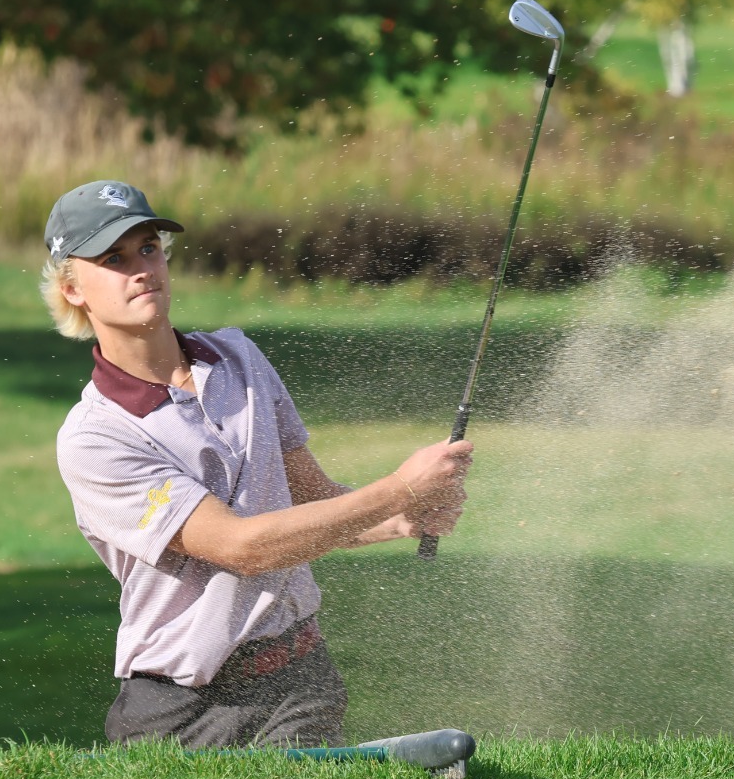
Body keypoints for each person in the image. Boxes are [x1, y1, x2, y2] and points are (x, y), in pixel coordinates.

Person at [42, 179, 472, 749]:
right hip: (183, 710)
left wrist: (403, 518)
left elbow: (308, 498)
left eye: (148, 248)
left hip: (300, 677)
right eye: (113, 259)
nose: (141, 268)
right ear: (73, 289)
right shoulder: (96, 437)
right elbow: (242, 547)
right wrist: (397, 489)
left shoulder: (239, 357)